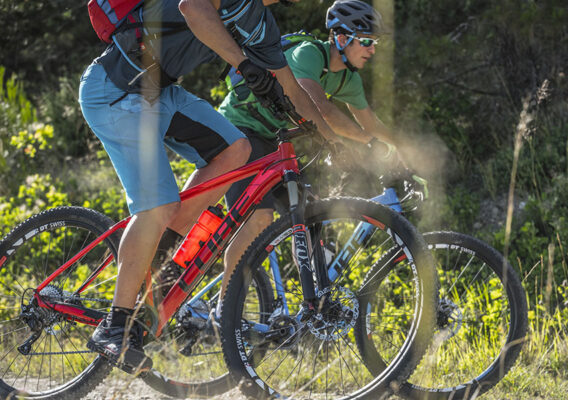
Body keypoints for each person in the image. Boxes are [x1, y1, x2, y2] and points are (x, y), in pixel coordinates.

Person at [79, 0, 339, 373]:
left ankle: (161, 263)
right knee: (158, 206)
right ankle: (115, 326)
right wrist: (244, 64)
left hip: (159, 92)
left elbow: (293, 89)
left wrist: (331, 140)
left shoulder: (262, 26)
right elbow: (192, 8)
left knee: (236, 150)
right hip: (116, 90)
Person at [215, 0, 428, 313]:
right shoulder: (309, 54)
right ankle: (224, 309)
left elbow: (370, 124)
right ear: (341, 38)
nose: (372, 50)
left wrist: (403, 154)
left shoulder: (347, 79)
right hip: (241, 130)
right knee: (260, 219)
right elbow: (316, 105)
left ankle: (314, 304)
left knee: (311, 212)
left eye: (375, 43)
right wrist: (354, 144)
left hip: (275, 142)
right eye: (366, 41)